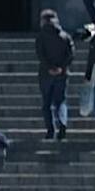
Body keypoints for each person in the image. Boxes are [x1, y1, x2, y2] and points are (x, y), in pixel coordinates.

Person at [35, 8, 74, 140]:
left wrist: (50, 67)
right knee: (61, 101)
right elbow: (71, 54)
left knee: (47, 103)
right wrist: (61, 68)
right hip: (62, 73)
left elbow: (40, 54)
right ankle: (62, 124)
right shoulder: (65, 36)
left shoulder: (41, 36)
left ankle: (50, 129)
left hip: (46, 74)